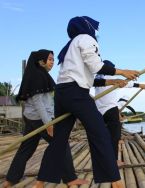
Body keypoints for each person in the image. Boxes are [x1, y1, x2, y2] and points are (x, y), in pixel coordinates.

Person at [34, 16, 139, 188]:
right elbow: (96, 66)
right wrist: (122, 72)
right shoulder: (86, 38)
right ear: (86, 27)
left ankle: (39, 183)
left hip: (62, 94)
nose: (96, 33)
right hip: (77, 94)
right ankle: (115, 181)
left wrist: (112, 82)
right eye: (95, 29)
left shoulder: (70, 46)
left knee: (59, 140)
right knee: (100, 134)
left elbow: (86, 75)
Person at [3, 50, 85, 188]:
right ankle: (70, 179)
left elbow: (46, 102)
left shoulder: (39, 75)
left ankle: (11, 180)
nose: (52, 62)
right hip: (39, 119)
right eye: (50, 59)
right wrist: (49, 124)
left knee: (26, 149)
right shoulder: (38, 76)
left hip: (31, 118)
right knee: (62, 145)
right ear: (41, 61)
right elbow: (39, 103)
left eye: (53, 60)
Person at [94, 60, 145, 166]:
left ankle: (103, 158)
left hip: (99, 111)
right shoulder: (111, 78)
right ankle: (114, 160)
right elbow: (128, 84)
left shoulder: (97, 78)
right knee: (115, 136)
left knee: (103, 135)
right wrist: (141, 85)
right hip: (110, 109)